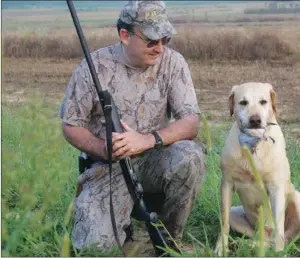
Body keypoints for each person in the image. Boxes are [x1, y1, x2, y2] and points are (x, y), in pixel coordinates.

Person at [58, 0, 206, 253]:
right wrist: (103, 148)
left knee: (190, 156)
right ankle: (121, 226)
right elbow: (70, 125)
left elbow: (191, 122)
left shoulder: (174, 63)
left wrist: (148, 140)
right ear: (125, 35)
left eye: (165, 39)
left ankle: (168, 239)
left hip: (155, 159)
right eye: (151, 40)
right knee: (93, 248)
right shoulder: (93, 68)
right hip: (109, 168)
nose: (160, 48)